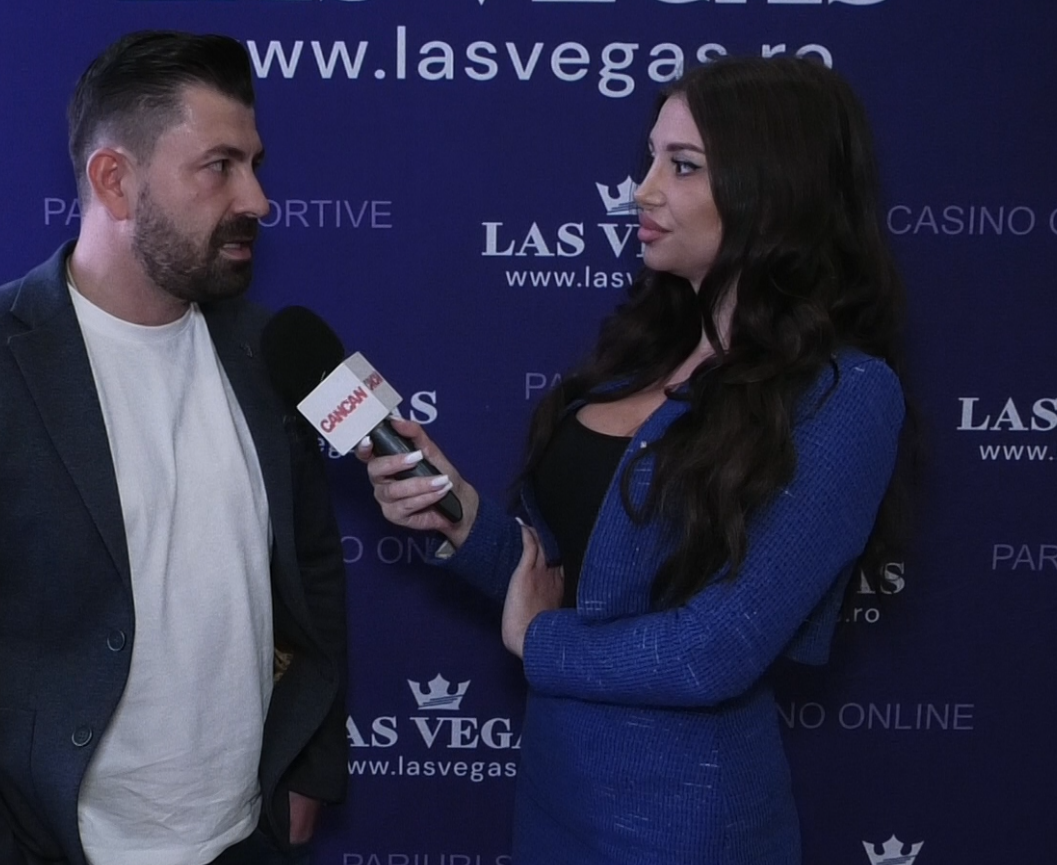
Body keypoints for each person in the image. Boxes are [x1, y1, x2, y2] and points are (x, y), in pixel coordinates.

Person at [361, 56, 909, 864]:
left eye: (680, 166)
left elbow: (716, 648)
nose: (640, 191)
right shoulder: (638, 357)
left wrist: (538, 642)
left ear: (773, 189)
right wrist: (458, 513)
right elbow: (565, 586)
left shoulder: (844, 394)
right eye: (648, 160)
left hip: (687, 830)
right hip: (554, 802)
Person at [0, 31, 347, 865]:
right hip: (53, 843)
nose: (258, 200)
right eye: (219, 166)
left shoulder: (268, 353)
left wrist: (310, 765)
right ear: (115, 180)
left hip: (246, 837)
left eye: (255, 165)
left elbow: (313, 566)